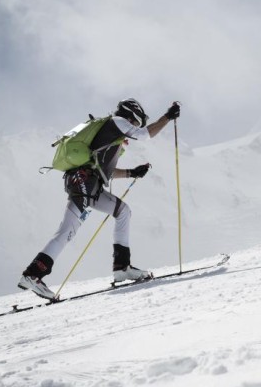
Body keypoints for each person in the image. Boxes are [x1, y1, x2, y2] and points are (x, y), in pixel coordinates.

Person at [18, 98, 181, 299]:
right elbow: (146, 135)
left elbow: (107, 172)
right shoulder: (118, 121)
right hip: (83, 183)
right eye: (136, 123)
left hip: (90, 184)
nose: (134, 129)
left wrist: (132, 172)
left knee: (123, 211)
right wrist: (167, 117)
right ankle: (32, 275)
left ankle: (122, 268)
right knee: (66, 231)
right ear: (132, 115)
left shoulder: (113, 139)